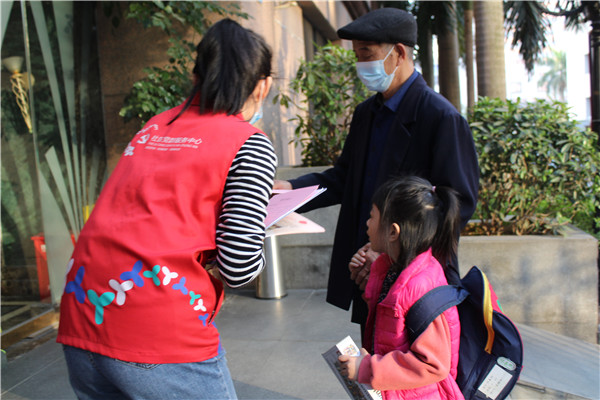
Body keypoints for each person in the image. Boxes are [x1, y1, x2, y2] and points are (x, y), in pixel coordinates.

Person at [57, 19, 276, 400]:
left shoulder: (156, 126)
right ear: (263, 86)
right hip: (157, 331)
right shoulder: (249, 143)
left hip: (82, 314)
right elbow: (239, 267)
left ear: (195, 76)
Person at [273, 8, 479, 340]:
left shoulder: (441, 117)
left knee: (414, 362)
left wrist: (392, 248)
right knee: (374, 354)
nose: (361, 65)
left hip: (415, 274)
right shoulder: (366, 114)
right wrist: (290, 190)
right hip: (367, 266)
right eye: (357, 56)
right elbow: (343, 178)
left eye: (367, 55)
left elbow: (458, 204)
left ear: (398, 53)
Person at [338, 176, 464, 400]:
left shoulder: (421, 286)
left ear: (393, 232)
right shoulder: (394, 268)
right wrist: (368, 276)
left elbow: (432, 365)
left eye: (372, 216)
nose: (367, 223)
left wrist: (367, 367)